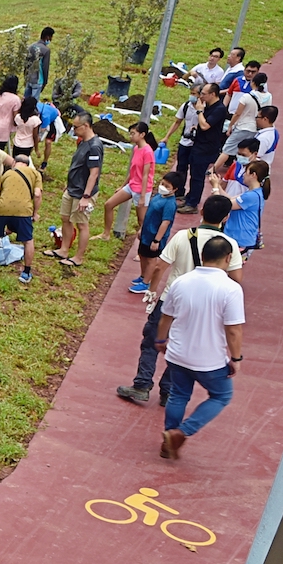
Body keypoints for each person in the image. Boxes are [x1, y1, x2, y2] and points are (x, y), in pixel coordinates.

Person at [117, 194, 242, 408]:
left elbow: (160, 266)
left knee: (153, 341)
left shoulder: (184, 236)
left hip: (171, 299)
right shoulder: (229, 245)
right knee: (179, 348)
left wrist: (152, 291)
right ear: (226, 217)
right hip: (202, 307)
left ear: (201, 212)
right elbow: (236, 279)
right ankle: (168, 391)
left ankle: (142, 384)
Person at [156, 235, 243, 460]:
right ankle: (181, 433)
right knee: (221, 396)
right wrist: (236, 358)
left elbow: (166, 317)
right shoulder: (231, 289)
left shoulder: (181, 281)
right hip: (209, 359)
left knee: (178, 394)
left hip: (177, 353)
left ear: (203, 256)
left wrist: (160, 340)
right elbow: (233, 330)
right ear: (228, 258)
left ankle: (168, 439)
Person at [51, 110, 102, 268]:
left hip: (83, 192)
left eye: (76, 127)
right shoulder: (82, 142)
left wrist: (86, 196)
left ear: (86, 126)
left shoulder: (94, 146)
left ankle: (78, 257)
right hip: (72, 188)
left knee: (81, 224)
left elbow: (94, 174)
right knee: (65, 218)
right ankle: (64, 249)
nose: (73, 130)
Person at [0, 154, 42, 286]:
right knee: (28, 241)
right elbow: (37, 194)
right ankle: (26, 272)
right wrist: (35, 213)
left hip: (3, 207)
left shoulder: (7, 174)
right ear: (27, 164)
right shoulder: (35, 173)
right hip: (23, 210)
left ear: (14, 162)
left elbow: (3, 193)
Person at [129, 171, 181, 296]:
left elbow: (165, 223)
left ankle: (146, 283)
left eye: (167, 186)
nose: (163, 187)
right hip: (146, 232)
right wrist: (142, 229)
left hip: (155, 236)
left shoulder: (170, 204)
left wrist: (157, 240)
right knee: (142, 254)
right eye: (162, 183)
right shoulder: (158, 196)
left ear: (174, 189)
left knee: (151, 259)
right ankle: (142, 276)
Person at [103, 122, 157, 239]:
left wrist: (143, 196)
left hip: (142, 189)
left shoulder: (148, 151)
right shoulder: (137, 148)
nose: (130, 136)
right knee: (108, 205)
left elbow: (145, 175)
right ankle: (106, 234)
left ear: (142, 134)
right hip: (132, 186)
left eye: (133, 133)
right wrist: (122, 186)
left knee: (142, 221)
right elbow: (133, 171)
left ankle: (142, 250)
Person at [183, 82, 228, 214]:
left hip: (206, 148)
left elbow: (205, 126)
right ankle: (190, 197)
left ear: (213, 94)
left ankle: (192, 204)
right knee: (194, 173)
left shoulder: (219, 109)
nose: (200, 97)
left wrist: (199, 111)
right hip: (199, 144)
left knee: (197, 176)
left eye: (203, 94)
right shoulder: (208, 106)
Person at [212, 158, 266, 252]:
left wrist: (215, 188)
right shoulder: (255, 192)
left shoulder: (251, 196)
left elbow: (224, 205)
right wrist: (218, 186)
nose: (243, 175)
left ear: (253, 175)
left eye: (246, 172)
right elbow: (229, 199)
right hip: (239, 237)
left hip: (240, 239)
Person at [213, 76, 261, 177]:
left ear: (253, 82)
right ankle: (246, 172)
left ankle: (213, 169)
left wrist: (230, 126)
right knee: (247, 151)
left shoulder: (246, 97)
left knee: (227, 148)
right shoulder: (266, 96)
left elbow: (237, 113)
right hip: (254, 128)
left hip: (242, 126)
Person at [163, 82, 202, 202]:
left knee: (195, 172)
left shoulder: (205, 109)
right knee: (181, 168)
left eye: (194, 94)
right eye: (191, 93)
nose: (192, 96)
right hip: (185, 142)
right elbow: (177, 122)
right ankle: (179, 191)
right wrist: (167, 137)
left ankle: (192, 197)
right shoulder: (186, 106)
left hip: (197, 144)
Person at [11, 95, 43, 161]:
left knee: (15, 161)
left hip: (17, 143)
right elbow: (35, 136)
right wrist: (36, 149)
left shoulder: (18, 117)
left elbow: (15, 123)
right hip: (27, 145)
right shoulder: (35, 120)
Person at [25, 27, 54, 100]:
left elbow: (26, 62)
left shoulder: (31, 46)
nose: (51, 39)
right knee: (33, 104)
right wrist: (45, 82)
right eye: (51, 37)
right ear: (47, 37)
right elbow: (45, 68)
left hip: (29, 78)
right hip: (38, 80)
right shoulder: (46, 50)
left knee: (25, 100)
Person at [256, 105, 279, 169]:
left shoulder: (263, 138)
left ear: (265, 119)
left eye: (258, 117)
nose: (256, 119)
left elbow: (256, 156)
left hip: (258, 169)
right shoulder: (274, 132)